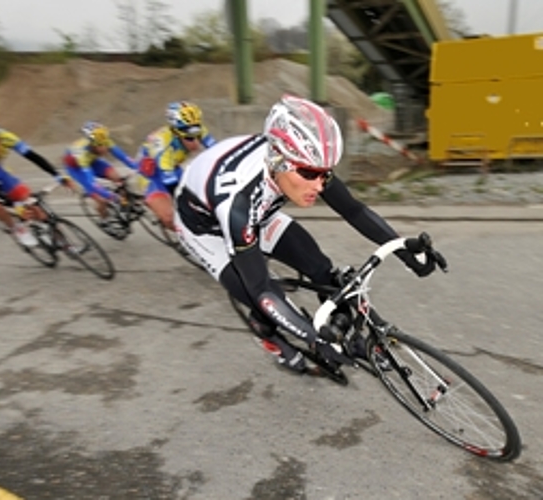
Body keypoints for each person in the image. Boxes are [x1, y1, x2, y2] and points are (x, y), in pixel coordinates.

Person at [173, 94, 442, 374]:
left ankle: (352, 340)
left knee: (321, 269)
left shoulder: (303, 164)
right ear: (278, 160)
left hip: (259, 210)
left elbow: (354, 210)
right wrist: (312, 338)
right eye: (310, 174)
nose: (319, 184)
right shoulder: (238, 205)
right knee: (263, 298)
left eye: (325, 174)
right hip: (204, 229)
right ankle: (270, 338)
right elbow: (261, 289)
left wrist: (405, 250)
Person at [0, 113, 74, 247]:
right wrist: (13, 205)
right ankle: (17, 229)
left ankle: (61, 241)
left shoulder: (6, 136)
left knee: (30, 202)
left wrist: (58, 175)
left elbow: (33, 157)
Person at [137, 101, 217, 231]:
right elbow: (172, 185)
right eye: (190, 137)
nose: (196, 141)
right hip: (152, 177)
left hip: (172, 166)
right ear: (176, 132)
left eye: (197, 133)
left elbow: (217, 150)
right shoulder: (163, 146)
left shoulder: (195, 128)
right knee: (170, 217)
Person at [63, 121, 137, 223]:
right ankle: (104, 218)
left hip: (93, 161)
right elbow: (92, 183)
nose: (106, 148)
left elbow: (124, 158)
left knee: (117, 177)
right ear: (93, 144)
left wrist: (139, 168)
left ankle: (125, 206)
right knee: (102, 199)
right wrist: (111, 196)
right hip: (77, 168)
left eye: (105, 143)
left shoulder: (104, 140)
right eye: (101, 145)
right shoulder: (82, 154)